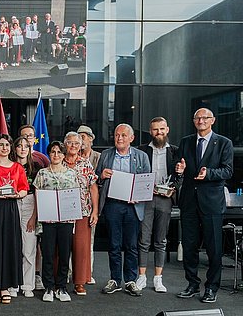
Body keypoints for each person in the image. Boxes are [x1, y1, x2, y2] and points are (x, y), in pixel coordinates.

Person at [175, 108, 233, 303]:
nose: (201, 120)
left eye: (205, 118)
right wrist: (179, 170)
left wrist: (208, 174)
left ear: (213, 120)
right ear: (194, 121)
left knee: (214, 249)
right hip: (189, 202)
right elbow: (177, 167)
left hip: (212, 204)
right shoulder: (185, 142)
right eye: (197, 118)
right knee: (190, 247)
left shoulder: (224, 143)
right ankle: (192, 284)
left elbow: (227, 171)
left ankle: (211, 288)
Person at [96, 124, 151, 297]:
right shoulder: (106, 155)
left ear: (131, 138)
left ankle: (130, 280)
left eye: (123, 135)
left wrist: (139, 194)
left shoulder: (141, 156)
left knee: (131, 245)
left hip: (132, 206)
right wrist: (101, 176)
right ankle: (114, 279)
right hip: (112, 205)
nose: (119, 138)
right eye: (117, 135)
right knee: (113, 244)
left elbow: (146, 181)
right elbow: (96, 181)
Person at [136, 117, 182, 293]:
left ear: (167, 130)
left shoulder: (176, 152)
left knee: (161, 240)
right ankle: (141, 277)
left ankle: (158, 279)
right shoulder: (141, 150)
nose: (159, 133)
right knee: (143, 239)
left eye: (162, 129)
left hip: (165, 200)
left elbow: (181, 177)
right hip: (146, 199)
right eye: (155, 130)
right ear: (150, 131)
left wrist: (175, 187)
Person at [34, 141, 79, 302]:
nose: (56, 155)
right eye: (53, 152)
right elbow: (37, 196)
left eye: (59, 152)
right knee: (48, 254)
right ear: (49, 154)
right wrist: (36, 218)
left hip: (66, 220)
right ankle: (49, 287)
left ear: (64, 155)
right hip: (48, 220)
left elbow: (75, 196)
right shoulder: (42, 174)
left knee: (65, 253)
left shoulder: (71, 173)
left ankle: (61, 287)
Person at [0, 134, 29, 304]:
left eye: (7, 145)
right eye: (1, 144)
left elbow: (24, 189)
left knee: (9, 245)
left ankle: (5, 285)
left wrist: (17, 194)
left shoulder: (18, 167)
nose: (4, 148)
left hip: (11, 208)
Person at [63, 132, 99, 296]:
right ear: (65, 144)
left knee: (81, 247)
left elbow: (93, 187)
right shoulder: (58, 161)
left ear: (80, 146)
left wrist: (95, 211)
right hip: (61, 212)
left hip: (82, 211)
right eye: (70, 143)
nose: (73, 146)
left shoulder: (86, 164)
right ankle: (60, 280)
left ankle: (79, 282)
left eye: (76, 144)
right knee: (60, 246)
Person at [13, 135, 46, 298]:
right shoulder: (10, 166)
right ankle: (12, 283)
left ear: (30, 148)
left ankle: (27, 284)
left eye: (26, 146)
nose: (23, 149)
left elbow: (39, 194)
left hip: (30, 203)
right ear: (15, 148)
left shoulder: (36, 166)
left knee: (29, 247)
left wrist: (34, 216)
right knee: (12, 245)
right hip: (11, 204)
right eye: (19, 146)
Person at [77, 124, 101, 285]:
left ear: (91, 138)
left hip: (90, 204)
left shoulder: (99, 157)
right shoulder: (69, 157)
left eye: (83, 137)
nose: (80, 141)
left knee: (88, 241)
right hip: (72, 206)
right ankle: (72, 272)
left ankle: (87, 272)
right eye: (78, 137)